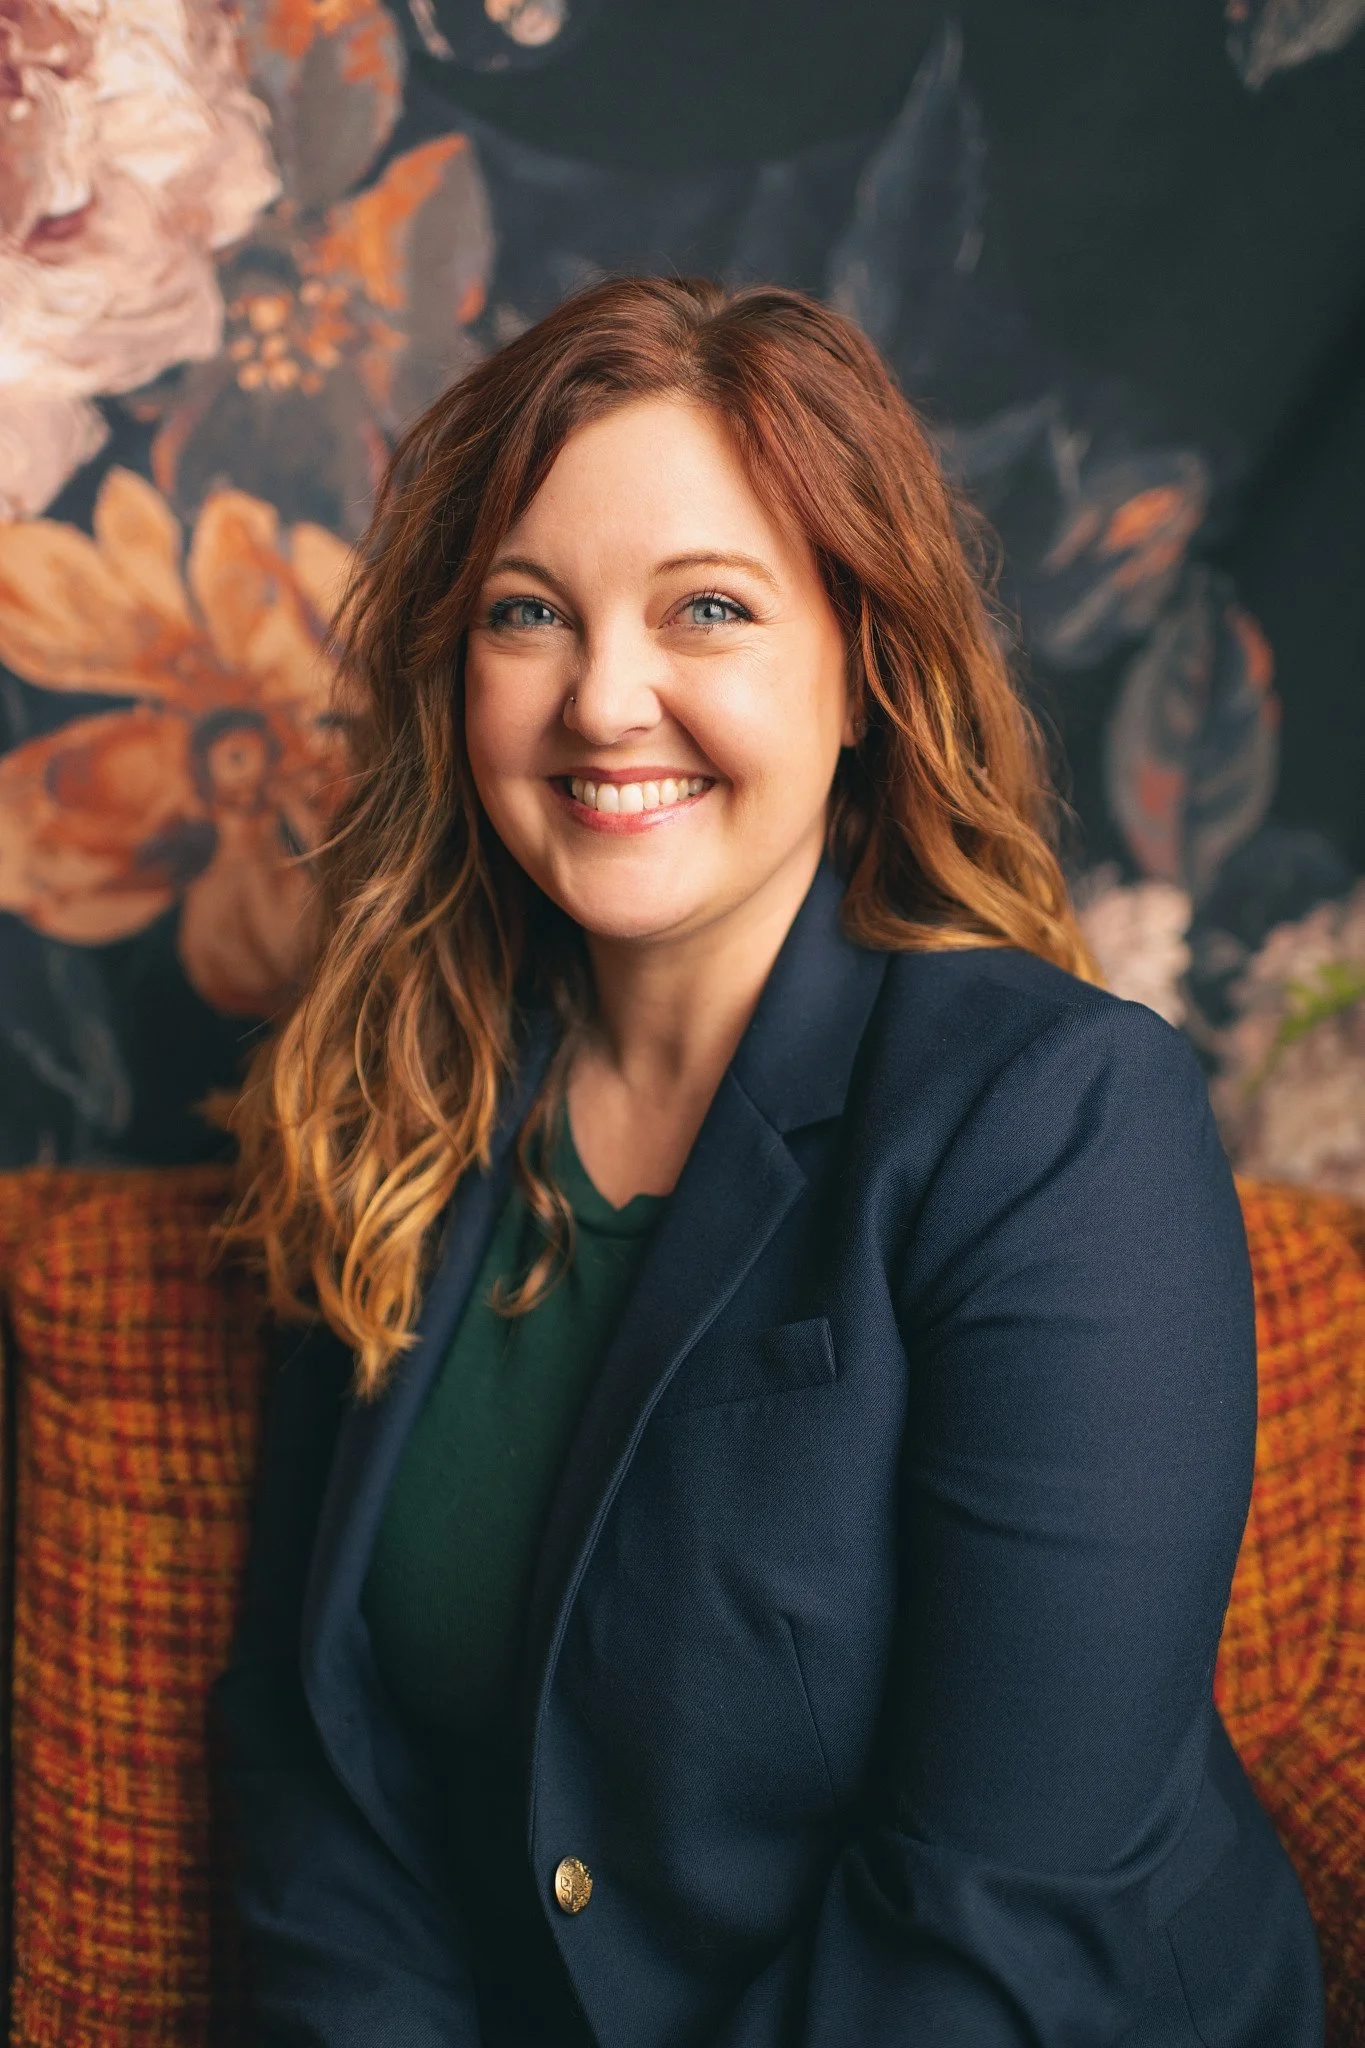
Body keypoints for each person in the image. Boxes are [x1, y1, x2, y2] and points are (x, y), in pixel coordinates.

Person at [213, 275, 1323, 2047]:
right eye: (528, 614)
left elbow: (996, 1931)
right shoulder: (395, 1101)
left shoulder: (1059, 1124)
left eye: (707, 609)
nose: (605, 700)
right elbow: (325, 1779)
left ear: (865, 668)